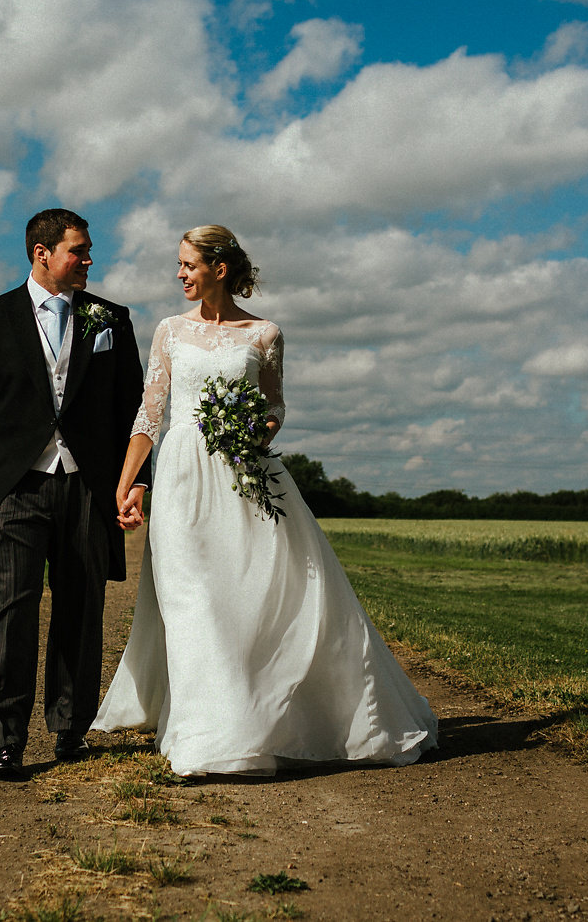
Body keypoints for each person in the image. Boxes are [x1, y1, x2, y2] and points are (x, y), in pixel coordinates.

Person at [94, 225, 438, 777]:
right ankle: (208, 735)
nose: (179, 274)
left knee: (249, 597)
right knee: (192, 600)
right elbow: (150, 412)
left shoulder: (265, 334)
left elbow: (275, 408)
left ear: (220, 268)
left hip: (245, 479)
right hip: (182, 481)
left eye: (188, 265)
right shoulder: (168, 332)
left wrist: (253, 432)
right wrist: (128, 479)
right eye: (179, 265)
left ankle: (260, 719)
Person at [0, 208, 149, 781]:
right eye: (79, 250)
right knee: (10, 613)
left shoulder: (111, 318)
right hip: (14, 489)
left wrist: (135, 482)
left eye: (87, 251)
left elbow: (133, 406)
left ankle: (70, 728)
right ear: (42, 253)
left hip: (88, 487)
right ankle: (7, 742)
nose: (89, 260)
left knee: (82, 610)